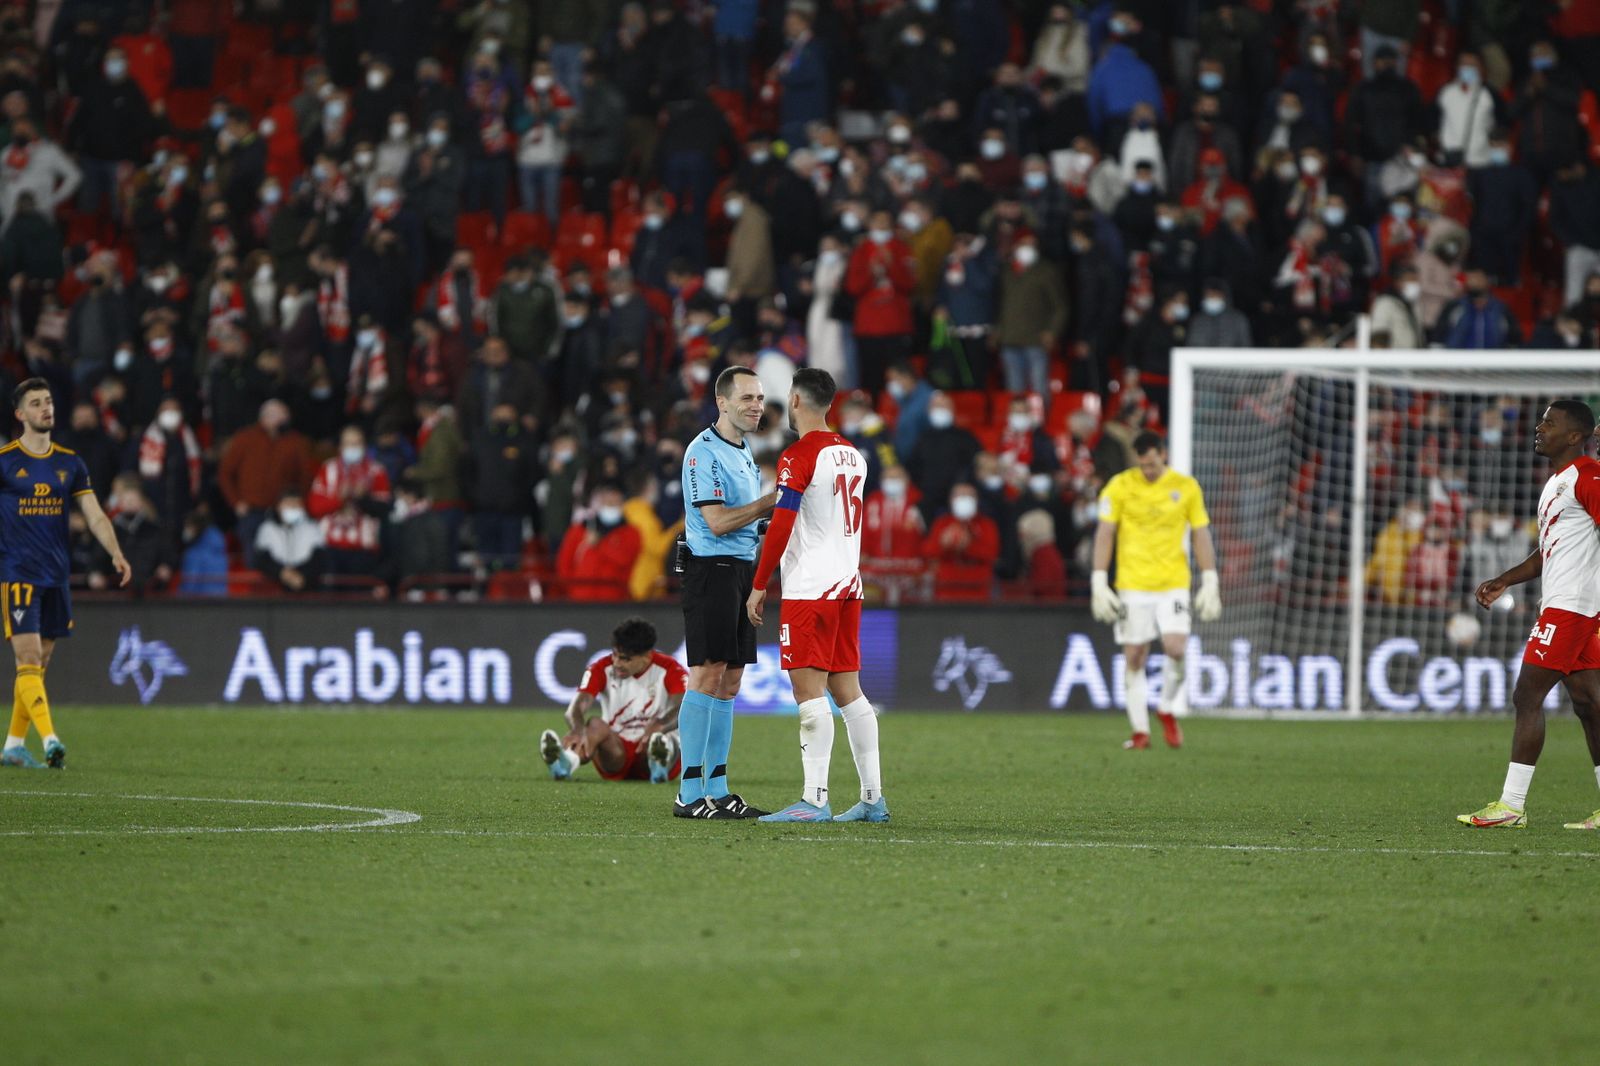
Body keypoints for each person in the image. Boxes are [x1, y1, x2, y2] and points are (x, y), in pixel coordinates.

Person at [747, 367, 887, 824]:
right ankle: (871, 800)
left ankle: (815, 800)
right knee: (849, 693)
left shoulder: (798, 455)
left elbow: (786, 521)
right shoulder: (853, 454)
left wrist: (759, 582)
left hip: (811, 588)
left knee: (809, 695)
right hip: (848, 583)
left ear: (795, 400)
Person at [1459, 401, 1600, 831]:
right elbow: (1549, 550)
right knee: (1589, 703)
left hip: (1572, 606)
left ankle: (1511, 806)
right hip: (1567, 603)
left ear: (1575, 436)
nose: (1539, 428)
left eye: (1549, 422)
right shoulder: (1559, 483)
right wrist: (1505, 579)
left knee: (1527, 695)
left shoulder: (1589, 477)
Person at [0, 379, 130, 770]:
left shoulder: (70, 462)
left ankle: (12, 745)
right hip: (18, 573)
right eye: (36, 403)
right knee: (26, 658)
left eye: (49, 401)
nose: (46, 408)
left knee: (39, 663)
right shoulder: (5, 461)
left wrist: (116, 551)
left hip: (56, 576)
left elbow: (93, 513)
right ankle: (51, 739)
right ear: (20, 414)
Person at [674, 366, 777, 819]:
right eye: (748, 398)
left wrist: (770, 523)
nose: (757, 405)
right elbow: (715, 521)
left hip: (740, 568)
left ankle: (718, 787)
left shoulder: (743, 450)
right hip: (711, 569)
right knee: (708, 672)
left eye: (760, 398)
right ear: (722, 402)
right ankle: (688, 791)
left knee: (731, 679)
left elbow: (744, 520)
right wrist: (769, 502)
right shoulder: (703, 452)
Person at [1090, 431, 1221, 751]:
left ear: (1163, 454)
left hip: (1173, 584)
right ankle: (1140, 732)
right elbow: (1106, 533)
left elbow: (1200, 534)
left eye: (1153, 464)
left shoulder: (1185, 487)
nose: (1148, 471)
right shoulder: (1120, 486)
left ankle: (1165, 708)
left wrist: (1210, 578)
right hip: (1132, 585)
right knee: (1134, 656)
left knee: (1176, 648)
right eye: (1143, 465)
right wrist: (1098, 578)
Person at [539, 616, 685, 784]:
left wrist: (661, 723)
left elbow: (684, 706)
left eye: (625, 659)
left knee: (661, 738)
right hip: (617, 753)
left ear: (647, 657)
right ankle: (566, 762)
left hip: (653, 745)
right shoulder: (601, 668)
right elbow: (576, 707)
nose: (617, 663)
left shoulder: (670, 669)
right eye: (615, 655)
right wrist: (578, 729)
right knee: (594, 724)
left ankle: (659, 764)